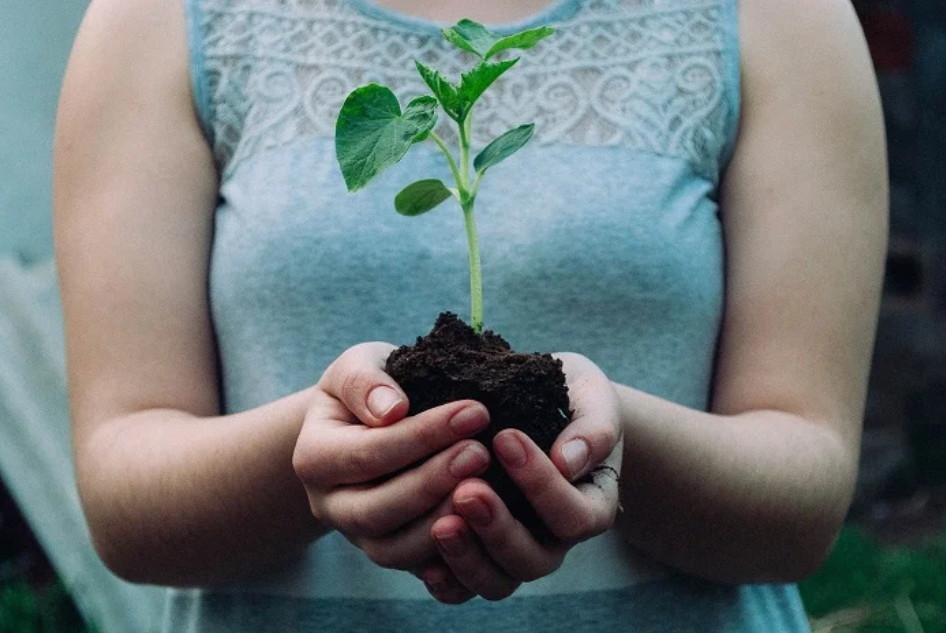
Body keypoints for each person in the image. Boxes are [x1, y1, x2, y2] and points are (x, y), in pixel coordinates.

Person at [52, 0, 887, 630]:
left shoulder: (781, 17)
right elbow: (126, 503)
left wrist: (616, 438)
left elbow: (803, 498)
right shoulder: (160, 18)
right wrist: (312, 457)